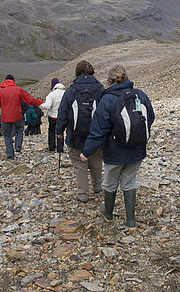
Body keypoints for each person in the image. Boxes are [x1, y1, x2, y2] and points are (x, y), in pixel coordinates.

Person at [80, 65, 155, 229]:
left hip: (115, 151)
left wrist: (87, 151)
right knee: (129, 182)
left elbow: (98, 130)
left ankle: (108, 213)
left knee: (110, 182)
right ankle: (131, 220)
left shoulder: (107, 99)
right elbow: (151, 117)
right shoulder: (140, 95)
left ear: (109, 81)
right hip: (137, 149)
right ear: (127, 78)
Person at [55, 61, 105, 203]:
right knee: (96, 161)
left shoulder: (71, 90)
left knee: (79, 165)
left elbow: (63, 112)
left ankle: (83, 194)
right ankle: (97, 187)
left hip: (75, 135)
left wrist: (59, 130)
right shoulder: (100, 89)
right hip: (96, 135)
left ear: (77, 73)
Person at [0, 74, 43, 160]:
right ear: (13, 81)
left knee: (7, 135)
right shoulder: (18, 90)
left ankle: (10, 155)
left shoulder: (1, 92)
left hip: (5, 118)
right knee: (19, 130)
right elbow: (29, 99)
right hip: (17, 116)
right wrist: (39, 102)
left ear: (5, 81)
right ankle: (18, 145)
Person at [40, 77, 66, 152]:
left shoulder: (51, 94)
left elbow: (47, 106)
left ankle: (52, 148)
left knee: (51, 131)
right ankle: (60, 149)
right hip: (61, 116)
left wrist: (40, 104)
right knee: (60, 132)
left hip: (52, 117)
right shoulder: (65, 93)